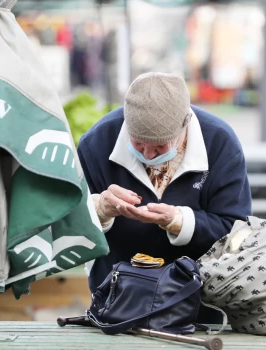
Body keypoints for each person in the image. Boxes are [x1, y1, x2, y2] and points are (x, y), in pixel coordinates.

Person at [78, 72, 252, 301]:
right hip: (116, 298)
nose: (149, 154)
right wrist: (99, 209)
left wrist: (180, 221)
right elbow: (70, 222)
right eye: (138, 143)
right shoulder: (97, 142)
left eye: (160, 146)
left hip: (201, 297)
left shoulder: (220, 143)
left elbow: (237, 231)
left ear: (185, 124)